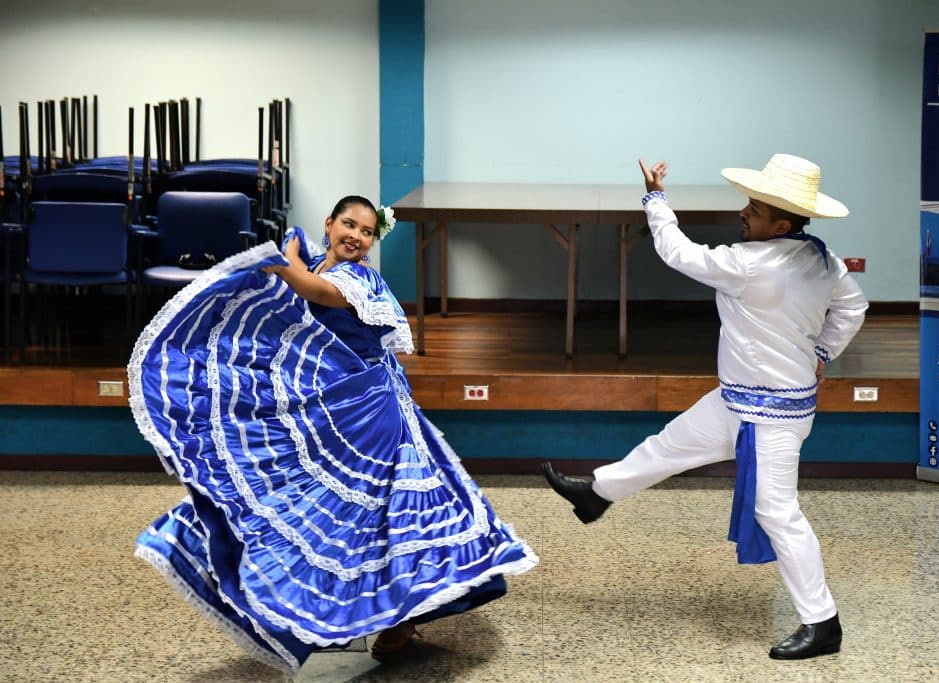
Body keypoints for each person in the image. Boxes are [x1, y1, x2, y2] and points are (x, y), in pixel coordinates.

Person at [131, 195, 537, 675]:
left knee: (385, 515)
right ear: (330, 223)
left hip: (371, 415)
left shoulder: (357, 278)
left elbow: (319, 294)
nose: (356, 236)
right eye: (349, 224)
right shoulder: (318, 261)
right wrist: (284, 264)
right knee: (336, 510)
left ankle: (399, 618)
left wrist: (283, 264)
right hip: (334, 406)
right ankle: (381, 613)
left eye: (366, 232)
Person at [543, 154, 868, 660]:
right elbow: (854, 306)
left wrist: (655, 199)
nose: (743, 213)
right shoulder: (821, 258)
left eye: (754, 209)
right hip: (738, 398)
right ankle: (598, 493)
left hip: (772, 417)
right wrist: (824, 349)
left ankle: (822, 622)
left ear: (780, 224)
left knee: (778, 513)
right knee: (669, 445)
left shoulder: (751, 265)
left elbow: (676, 251)